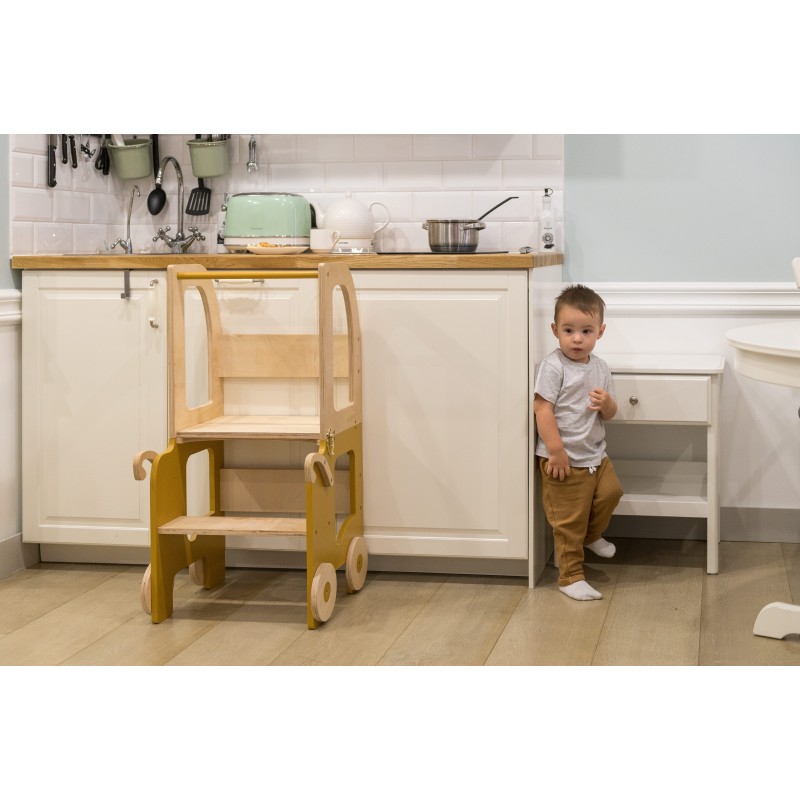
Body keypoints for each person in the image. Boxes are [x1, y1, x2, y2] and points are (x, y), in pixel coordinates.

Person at [534, 284, 624, 601]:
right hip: (564, 460)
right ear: (555, 330)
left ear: (599, 332)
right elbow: (541, 407)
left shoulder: (599, 367)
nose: (577, 338)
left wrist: (608, 404)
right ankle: (570, 577)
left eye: (585, 331)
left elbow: (610, 415)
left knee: (612, 493)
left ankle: (592, 535)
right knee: (568, 522)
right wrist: (556, 452)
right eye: (569, 330)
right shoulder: (553, 366)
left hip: (595, 456)